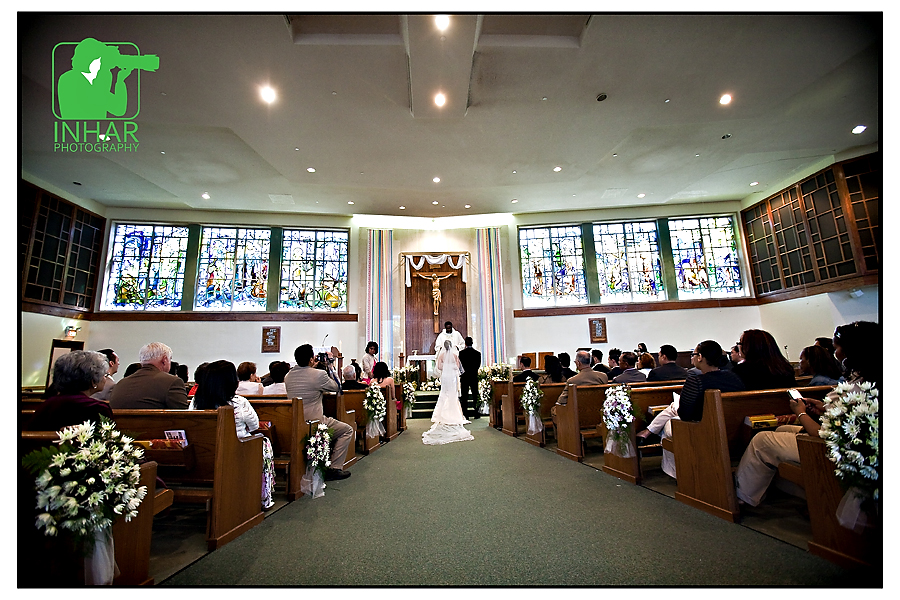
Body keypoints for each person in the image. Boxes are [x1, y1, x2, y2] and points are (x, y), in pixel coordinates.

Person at [734, 321, 880, 507]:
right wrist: (824, 407)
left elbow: (822, 434)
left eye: (836, 348)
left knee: (761, 440)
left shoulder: (856, 387)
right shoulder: (871, 379)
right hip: (850, 444)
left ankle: (742, 497)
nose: (835, 353)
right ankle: (779, 491)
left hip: (838, 451)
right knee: (782, 430)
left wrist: (801, 413)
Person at [636, 340, 745, 478]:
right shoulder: (734, 378)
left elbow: (685, 415)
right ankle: (650, 432)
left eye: (693, 354)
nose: (692, 357)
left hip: (700, 431)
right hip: (732, 429)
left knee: (669, 422)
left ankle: (677, 473)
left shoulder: (696, 381)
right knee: (673, 410)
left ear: (700, 357)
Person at [190, 360, 275, 510]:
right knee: (264, 442)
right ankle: (263, 497)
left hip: (204, 454)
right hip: (236, 452)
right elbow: (255, 426)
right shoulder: (239, 402)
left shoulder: (196, 402)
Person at [284, 344, 353, 480]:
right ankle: (334, 468)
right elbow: (337, 387)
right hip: (314, 422)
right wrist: (331, 367)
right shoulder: (319, 375)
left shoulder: (288, 376)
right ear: (311, 359)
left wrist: (312, 367)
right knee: (347, 430)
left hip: (294, 421)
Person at [25, 350, 114, 431]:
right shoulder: (98, 409)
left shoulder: (47, 405)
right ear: (93, 381)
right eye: (105, 375)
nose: (105, 379)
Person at [109, 342, 190, 409]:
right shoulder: (173, 382)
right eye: (170, 359)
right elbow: (184, 416)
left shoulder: (120, 384)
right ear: (164, 360)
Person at [422, 340, 474, 445]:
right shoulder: (455, 355)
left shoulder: (441, 355)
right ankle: (454, 413)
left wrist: (446, 367)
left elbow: (439, 367)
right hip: (453, 376)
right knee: (452, 394)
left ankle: (442, 415)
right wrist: (451, 367)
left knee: (444, 393)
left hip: (445, 376)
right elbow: (458, 367)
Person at [458, 336, 482, 419]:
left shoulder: (461, 353)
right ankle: (476, 413)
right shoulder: (477, 353)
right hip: (473, 376)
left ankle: (465, 414)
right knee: (475, 394)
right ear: (472, 343)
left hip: (464, 377)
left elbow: (460, 366)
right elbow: (478, 365)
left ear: (465, 344)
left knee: (464, 396)